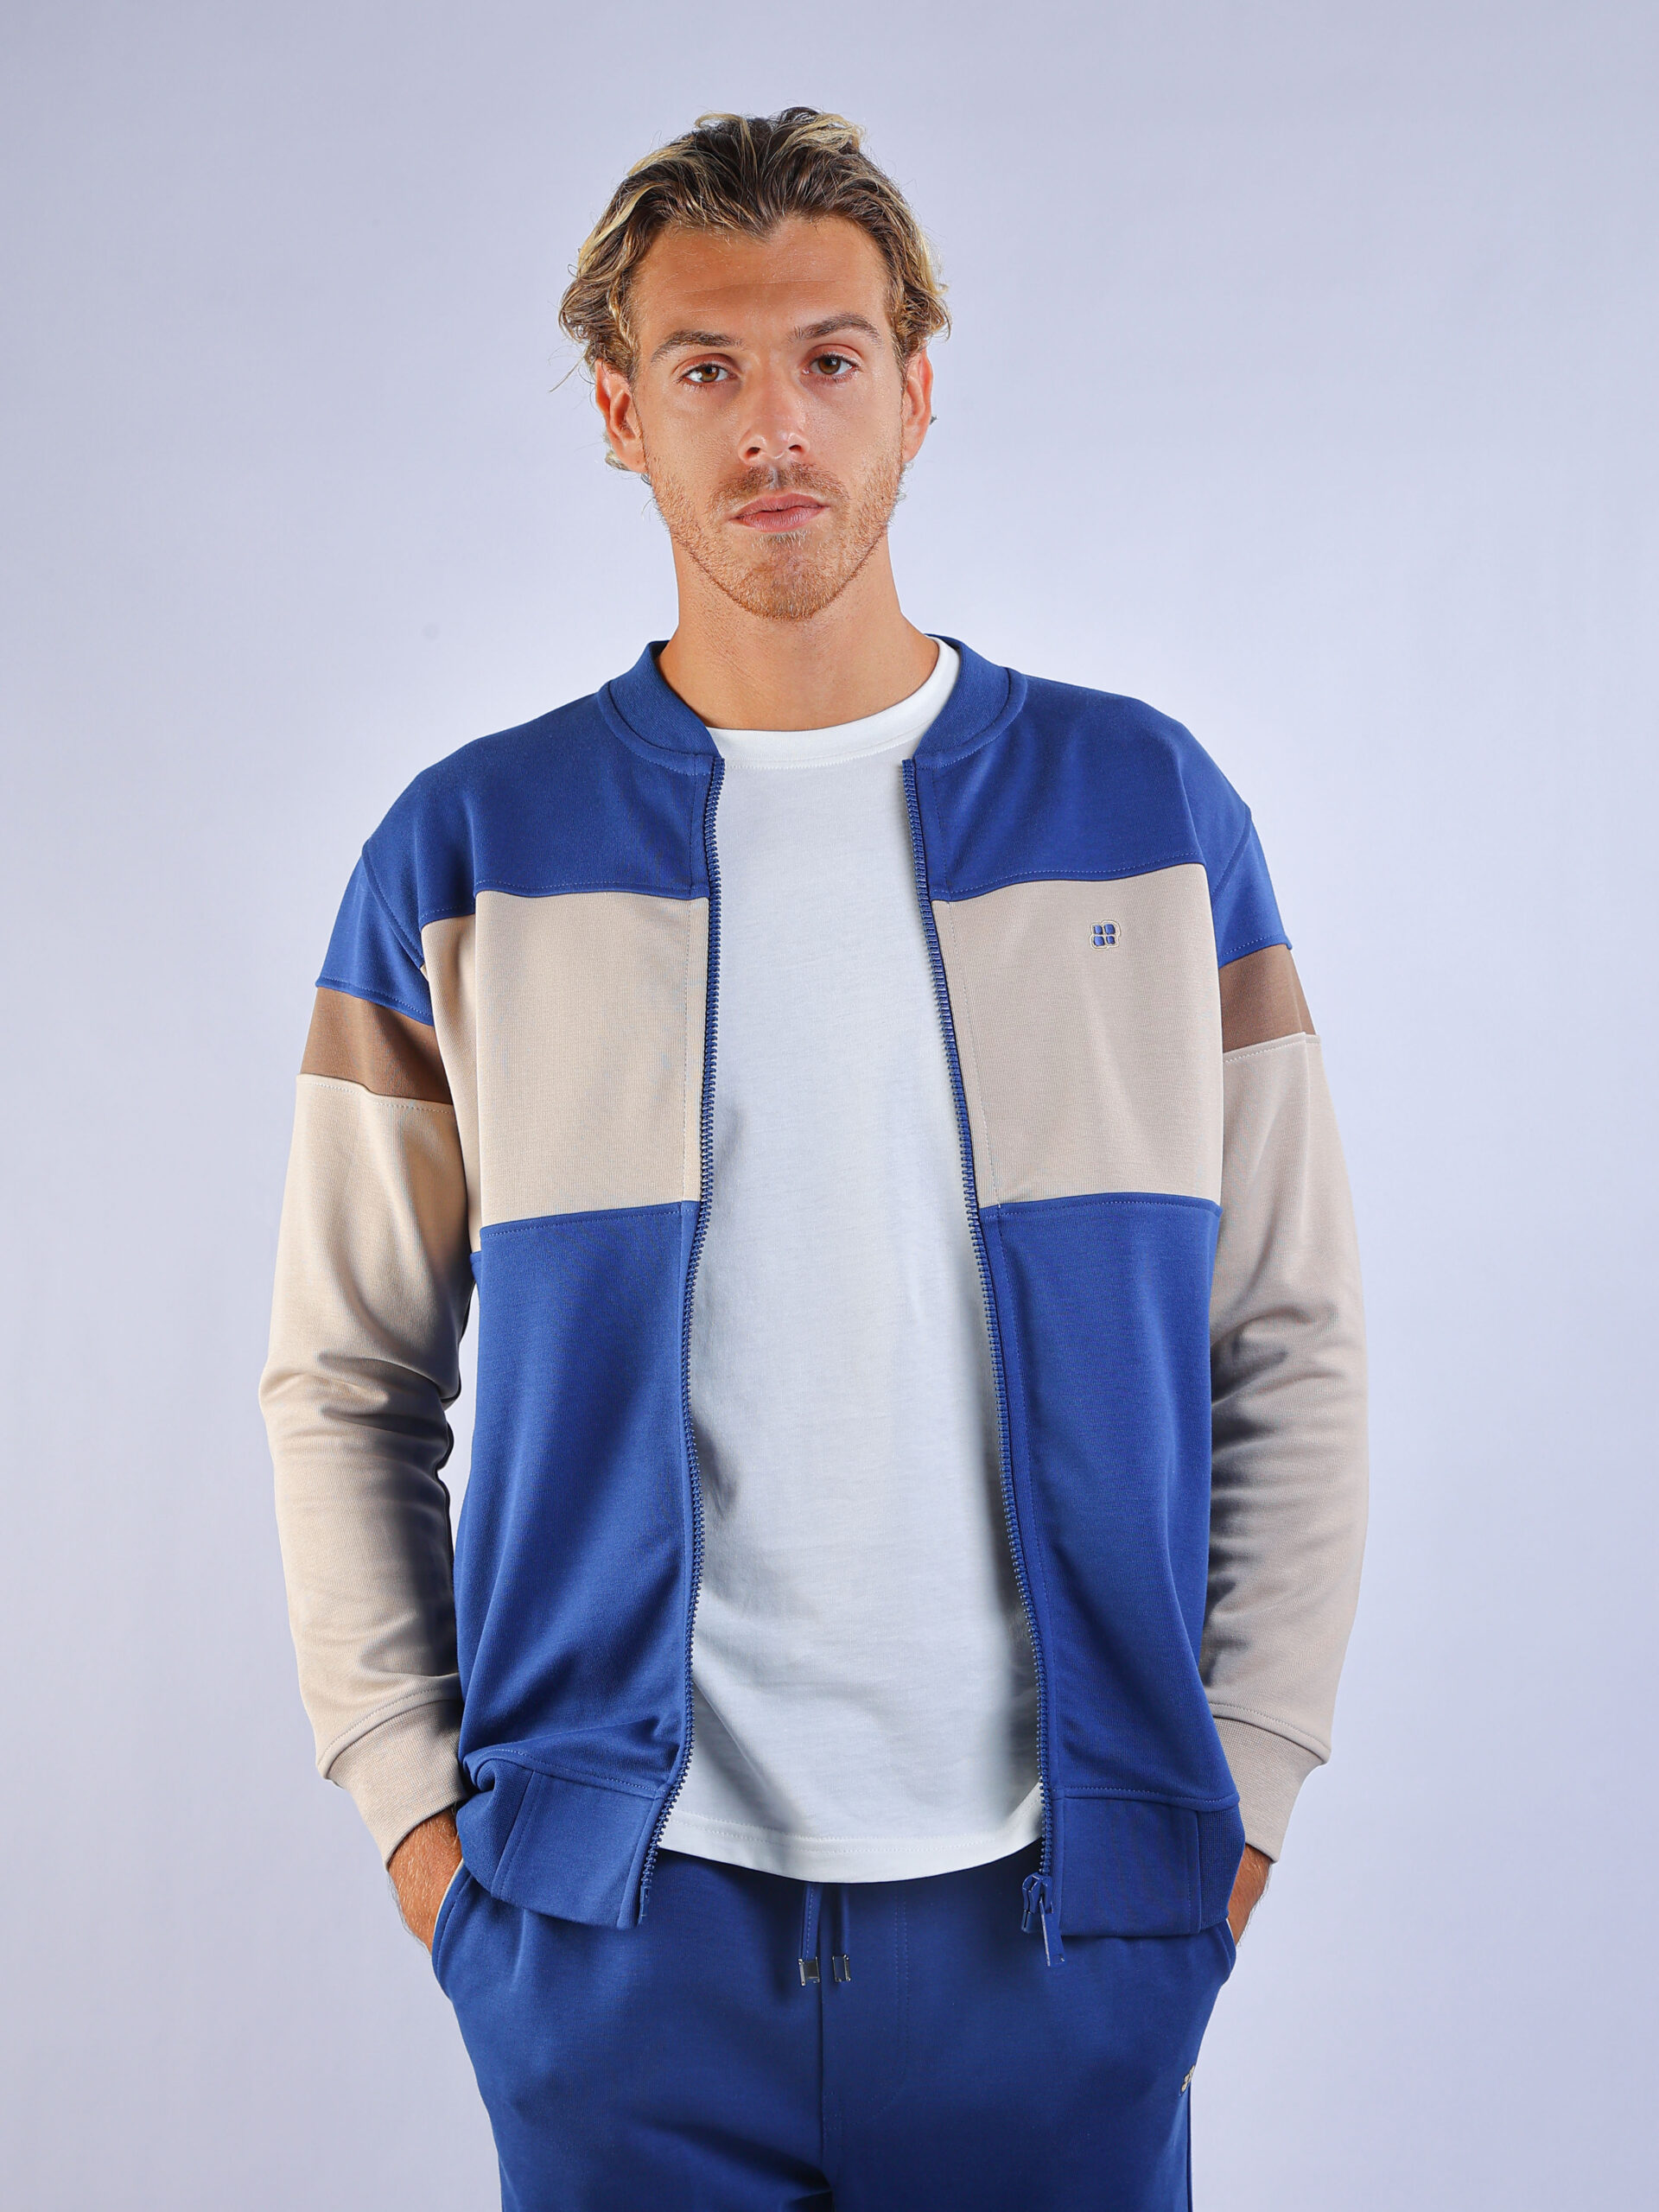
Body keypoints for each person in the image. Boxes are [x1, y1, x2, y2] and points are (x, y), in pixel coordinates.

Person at [260, 105, 1367, 2212]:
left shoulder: (1148, 813)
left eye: (830, 358)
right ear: (621, 412)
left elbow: (1290, 1337)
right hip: (616, 1939)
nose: (774, 423)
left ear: (916, 389)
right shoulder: (469, 853)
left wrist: (1242, 1808)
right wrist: (428, 1834)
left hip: (1069, 1926)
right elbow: (345, 1378)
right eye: (707, 366)